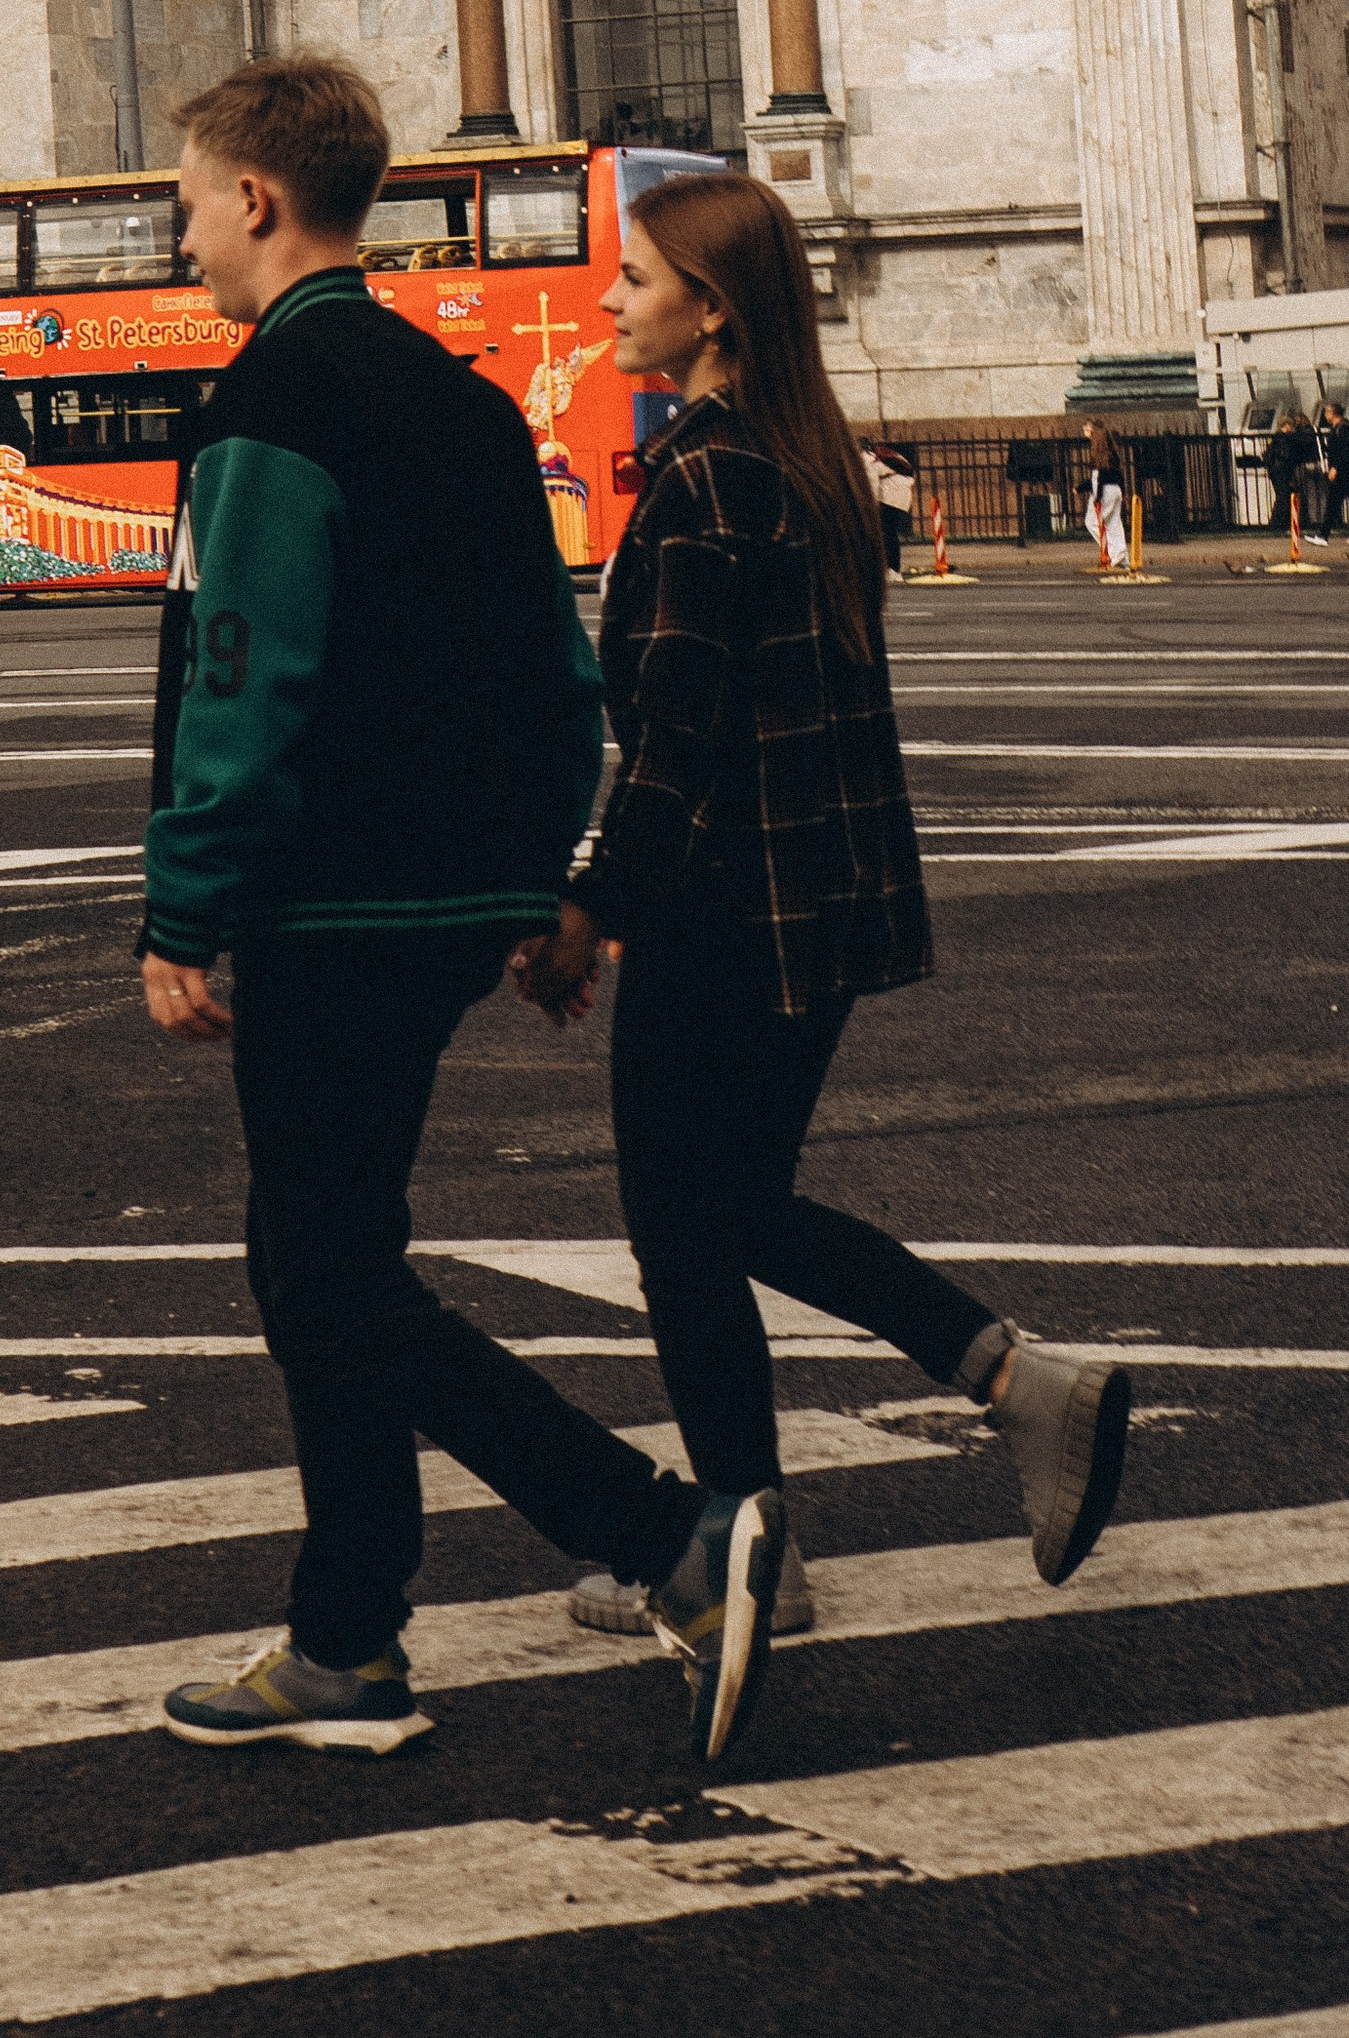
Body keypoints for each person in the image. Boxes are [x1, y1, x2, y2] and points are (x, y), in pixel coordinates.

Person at [140, 57, 784, 1774]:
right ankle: (346, 1636)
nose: (183, 231)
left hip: (326, 903)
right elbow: (563, 680)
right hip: (452, 900)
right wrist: (529, 879)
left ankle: (666, 1539)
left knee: (329, 1280)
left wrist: (184, 905)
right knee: (320, 1258)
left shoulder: (271, 406)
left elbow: (241, 680)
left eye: (192, 198)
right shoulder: (473, 402)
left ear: (260, 201)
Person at [515, 172, 1133, 1647]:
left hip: (732, 915)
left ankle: (754, 1551)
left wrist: (592, 911)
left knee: (683, 1225)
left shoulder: (709, 479)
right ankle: (1001, 1383)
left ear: (709, 310)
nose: (608, 301)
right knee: (736, 1209)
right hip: (827, 914)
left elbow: (676, 749)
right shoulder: (814, 467)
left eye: (635, 277)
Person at [1263, 408, 1323, 546]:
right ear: (1286, 426)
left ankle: (1279, 523)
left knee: (1283, 496)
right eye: (1289, 425)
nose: (1292, 428)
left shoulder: (1276, 438)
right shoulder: (1284, 438)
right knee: (1284, 496)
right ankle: (1278, 524)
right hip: (1282, 471)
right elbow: (1286, 456)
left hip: (1276, 471)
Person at [858, 438, 914, 578]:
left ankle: (893, 570)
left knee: (887, 534)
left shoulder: (867, 459)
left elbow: (873, 484)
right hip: (900, 492)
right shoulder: (882, 455)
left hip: (890, 495)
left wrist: (872, 504)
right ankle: (892, 569)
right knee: (889, 533)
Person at [1079, 419, 1127, 569]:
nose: (1084, 432)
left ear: (1093, 432)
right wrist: (1123, 492)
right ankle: (1122, 556)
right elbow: (1119, 475)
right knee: (1114, 523)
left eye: (1086, 429)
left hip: (1104, 491)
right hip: (1116, 490)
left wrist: (1097, 498)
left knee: (1093, 522)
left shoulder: (1097, 453)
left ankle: (1111, 554)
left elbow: (1098, 479)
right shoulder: (1111, 452)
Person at [1317, 402, 1349, 542]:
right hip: (1344, 472)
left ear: (1332, 413)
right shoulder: (1341, 428)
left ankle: (1324, 535)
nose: (1325, 416)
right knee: (1339, 503)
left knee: (1337, 503)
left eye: (1326, 413)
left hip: (1344, 473)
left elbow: (1345, 452)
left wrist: (1335, 467)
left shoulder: (1343, 429)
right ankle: (1323, 534)